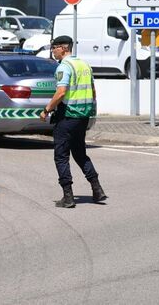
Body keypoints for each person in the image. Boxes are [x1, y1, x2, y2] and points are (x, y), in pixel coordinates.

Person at [40, 35, 106, 208]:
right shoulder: (84, 65)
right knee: (80, 153)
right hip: (82, 117)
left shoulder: (65, 66)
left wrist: (47, 109)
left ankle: (68, 196)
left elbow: (61, 92)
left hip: (68, 116)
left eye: (54, 47)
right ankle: (97, 189)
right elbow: (93, 91)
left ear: (63, 48)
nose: (53, 51)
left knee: (61, 155)